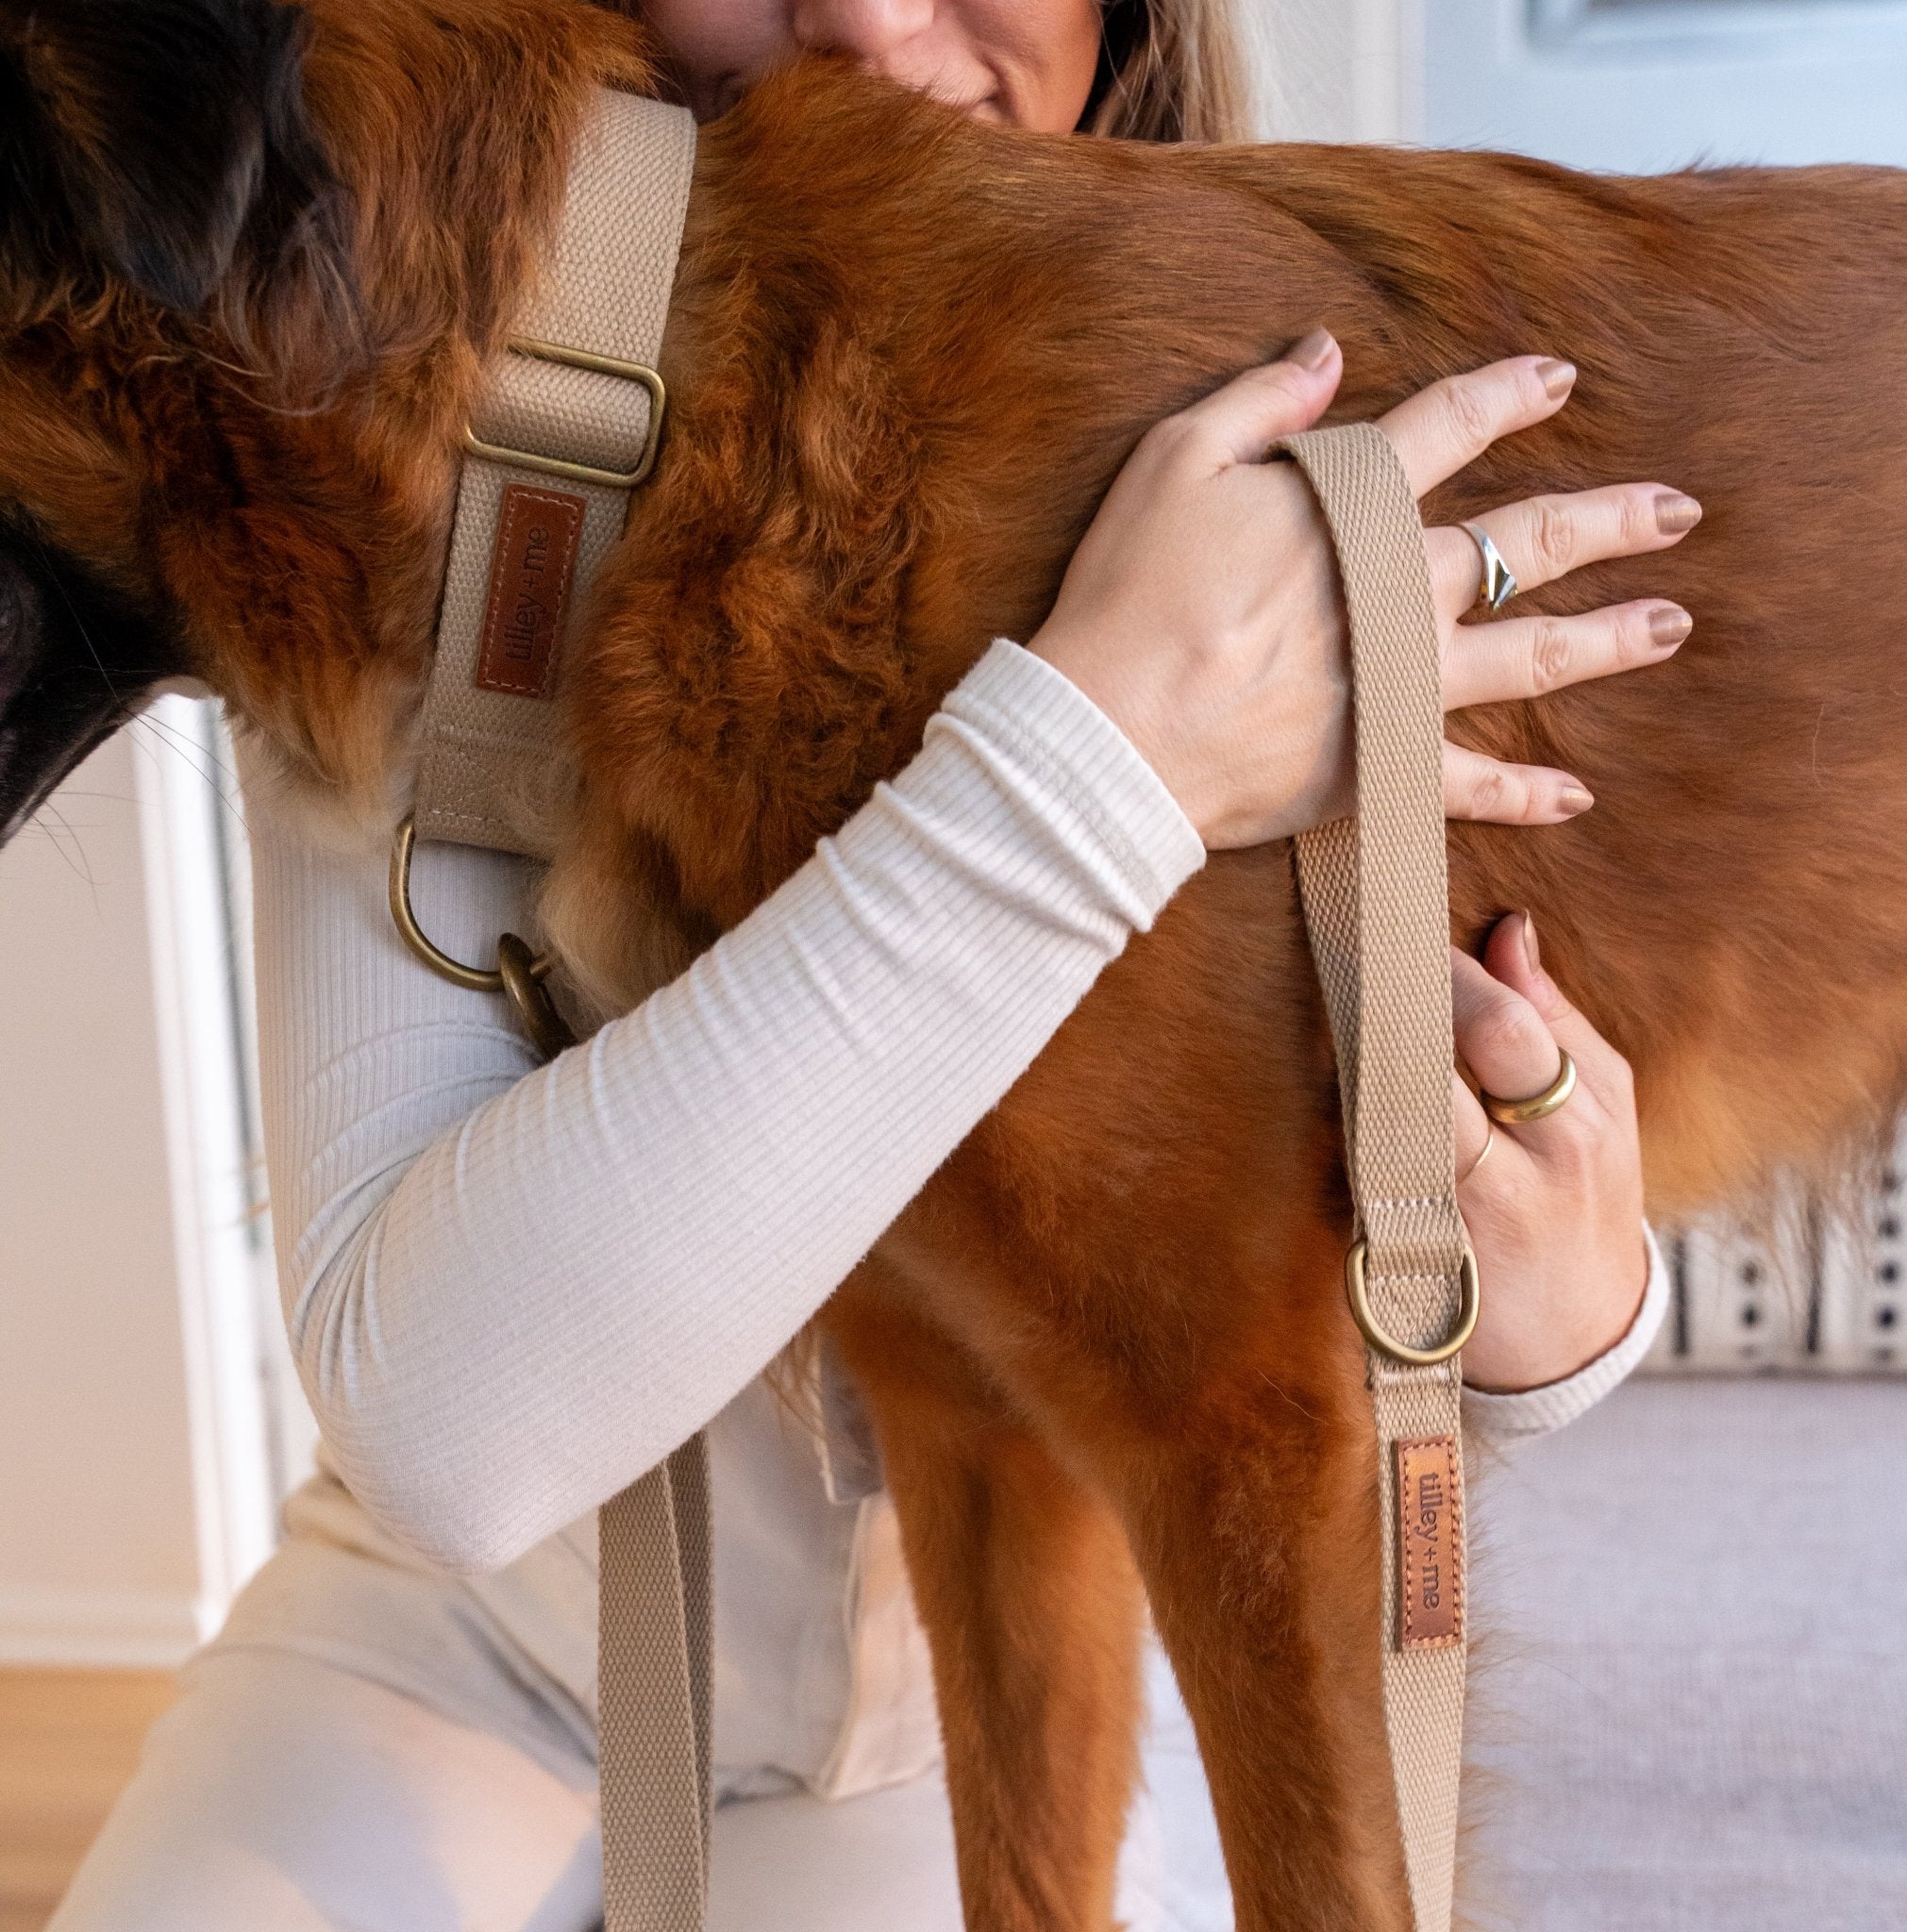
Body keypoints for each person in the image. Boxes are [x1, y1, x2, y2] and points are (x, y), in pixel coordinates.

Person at [48, 3, 1689, 1927]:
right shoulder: (398, 434)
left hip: (973, 1717)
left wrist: (1565, 1328)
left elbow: (1284, 1348)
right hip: (454, 1656)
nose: (868, 18)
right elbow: (445, 1429)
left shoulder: (1268, 419)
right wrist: (1104, 754)